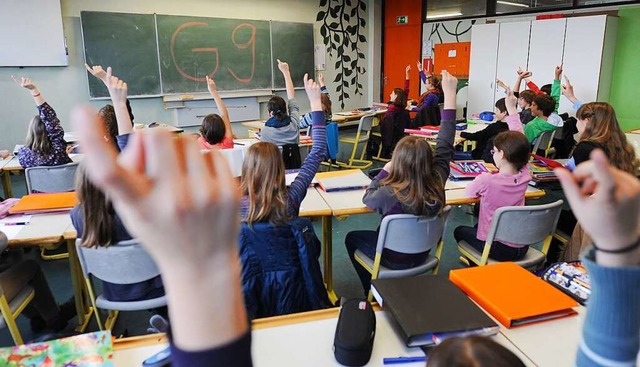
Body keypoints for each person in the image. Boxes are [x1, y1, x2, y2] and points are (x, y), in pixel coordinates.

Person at [73, 75, 640, 367]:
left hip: (250, 286)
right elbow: (330, 153)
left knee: (353, 243)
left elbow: (363, 182)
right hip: (446, 257)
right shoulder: (431, 186)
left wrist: (621, 251)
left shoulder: (279, 204)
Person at [346, 70, 457, 294]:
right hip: (425, 252)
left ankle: (373, 288)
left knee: (351, 238)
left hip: (393, 255)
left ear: (397, 161)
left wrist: (382, 174)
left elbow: (368, 197)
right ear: (429, 160)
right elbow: (445, 143)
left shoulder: (389, 192)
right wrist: (451, 96)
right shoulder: (437, 179)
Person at [72, 65, 165, 305]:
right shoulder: (134, 208)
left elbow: (126, 147)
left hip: (113, 292)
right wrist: (118, 100)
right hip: (159, 285)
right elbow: (128, 146)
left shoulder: (79, 215)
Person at [12, 76, 71, 169]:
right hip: (65, 184)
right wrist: (34, 90)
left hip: (39, 184)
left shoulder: (23, 155)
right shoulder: (58, 153)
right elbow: (50, 120)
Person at [260, 60, 301, 168]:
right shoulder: (294, 123)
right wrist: (286, 72)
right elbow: (292, 98)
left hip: (273, 172)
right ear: (286, 110)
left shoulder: (265, 131)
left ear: (270, 113)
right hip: (294, 170)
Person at [374, 65, 412, 158]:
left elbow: (384, 124)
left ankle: (374, 152)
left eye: (392, 93)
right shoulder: (402, 107)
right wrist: (407, 75)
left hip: (390, 132)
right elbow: (406, 91)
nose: (390, 94)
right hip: (399, 132)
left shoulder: (391, 110)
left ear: (396, 96)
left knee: (372, 130)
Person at [458, 98, 509, 163]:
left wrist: (460, 133)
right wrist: (480, 115)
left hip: (479, 157)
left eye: (497, 110)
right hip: (492, 159)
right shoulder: (512, 127)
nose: (495, 113)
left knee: (451, 154)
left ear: (504, 112)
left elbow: (477, 136)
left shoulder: (494, 127)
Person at [198, 76, 235, 150]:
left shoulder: (200, 143)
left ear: (204, 131)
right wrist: (213, 91)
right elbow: (224, 115)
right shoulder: (227, 144)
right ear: (223, 130)